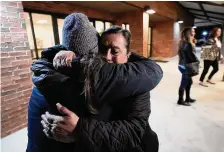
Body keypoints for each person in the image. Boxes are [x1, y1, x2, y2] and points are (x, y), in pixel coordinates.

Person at [28, 13, 163, 152]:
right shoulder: (74, 79)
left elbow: (134, 130)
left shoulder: (137, 81)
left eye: (115, 51)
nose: (107, 56)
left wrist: (80, 129)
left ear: (128, 54)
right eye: (103, 50)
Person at [177, 27, 199, 106]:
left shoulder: (183, 42)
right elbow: (191, 55)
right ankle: (180, 100)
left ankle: (187, 98)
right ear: (188, 33)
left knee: (189, 82)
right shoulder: (188, 44)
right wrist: (197, 62)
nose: (194, 32)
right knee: (184, 83)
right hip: (186, 66)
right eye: (193, 31)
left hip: (182, 65)